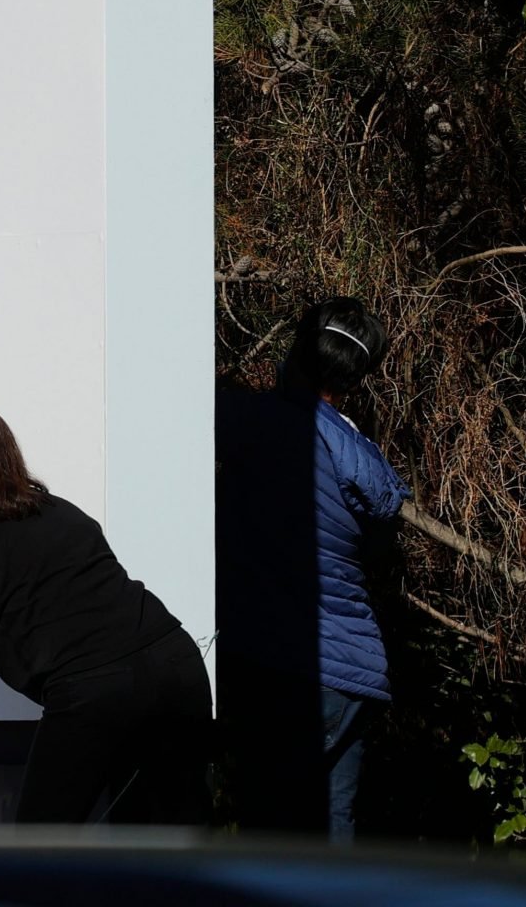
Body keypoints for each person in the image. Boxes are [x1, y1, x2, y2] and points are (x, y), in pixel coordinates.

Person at [0, 401, 210, 826]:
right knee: (172, 836)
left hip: (96, 692)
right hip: (176, 664)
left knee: (42, 842)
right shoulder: (63, 513)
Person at [218, 297, 408, 842]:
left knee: (272, 833)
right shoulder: (364, 455)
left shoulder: (258, 420)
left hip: (285, 665)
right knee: (331, 837)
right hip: (356, 671)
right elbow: (375, 552)